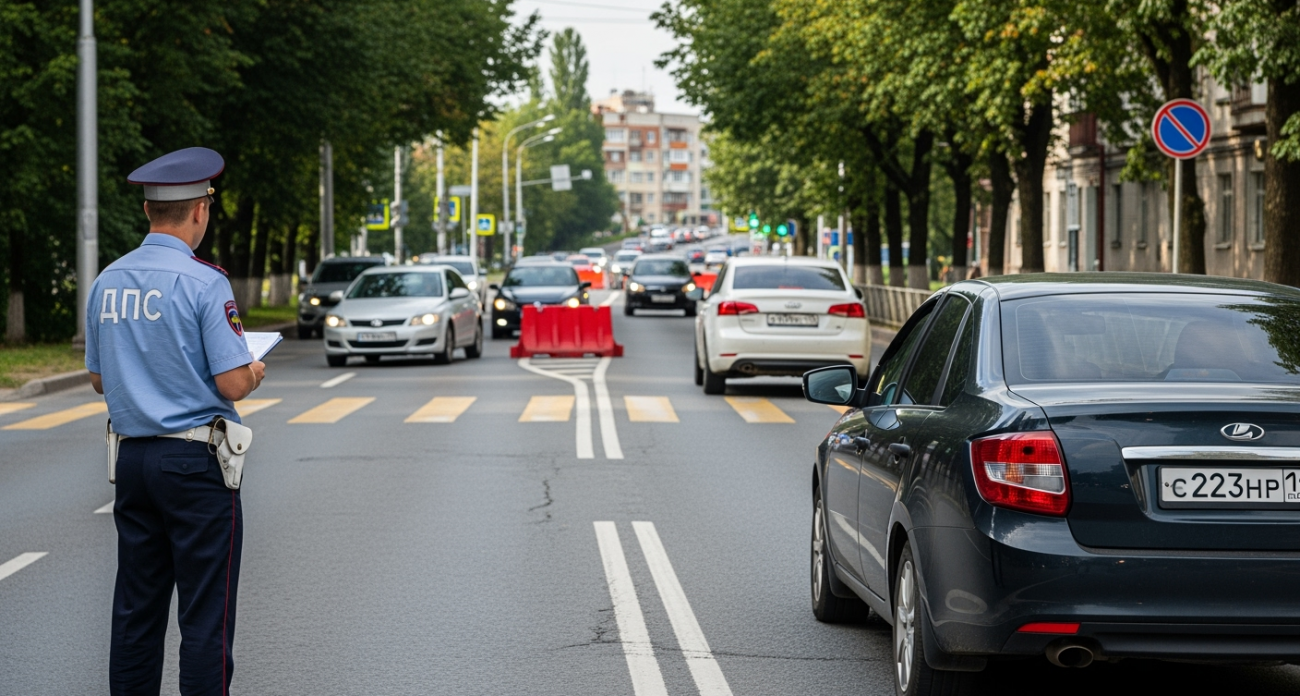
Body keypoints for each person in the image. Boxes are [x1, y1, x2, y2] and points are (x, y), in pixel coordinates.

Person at [85, 147, 265, 696]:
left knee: (136, 612)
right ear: (200, 211)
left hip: (134, 461)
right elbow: (232, 383)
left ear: (147, 212)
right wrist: (255, 367)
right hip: (195, 464)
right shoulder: (204, 282)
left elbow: (98, 379)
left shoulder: (107, 280)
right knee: (205, 616)